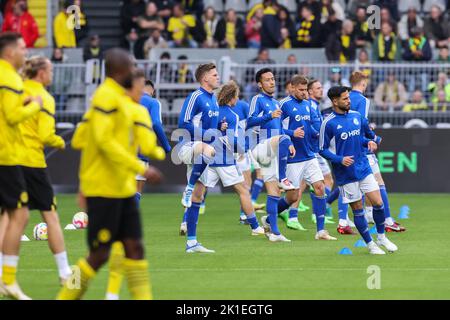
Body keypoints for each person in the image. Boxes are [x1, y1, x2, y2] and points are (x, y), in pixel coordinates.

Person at [57, 48, 161, 300]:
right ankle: (64, 296)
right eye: (131, 66)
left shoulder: (121, 100)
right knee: (99, 254)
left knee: (135, 248)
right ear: (119, 71)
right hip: (103, 189)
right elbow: (100, 142)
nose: (134, 71)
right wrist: (140, 166)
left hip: (123, 188)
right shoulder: (105, 98)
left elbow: (83, 137)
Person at [104, 68, 166, 300]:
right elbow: (154, 129)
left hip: (104, 176)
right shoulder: (147, 105)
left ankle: (110, 293)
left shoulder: (108, 102)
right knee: (122, 248)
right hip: (132, 161)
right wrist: (162, 151)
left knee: (103, 252)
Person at [13, 56, 72, 287]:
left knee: (9, 218)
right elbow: (46, 136)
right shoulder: (45, 98)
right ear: (41, 74)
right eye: (50, 70)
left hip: (9, 161)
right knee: (50, 216)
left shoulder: (16, 89)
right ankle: (65, 272)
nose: (52, 74)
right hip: (33, 163)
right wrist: (60, 142)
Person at [319, 86, 398, 254]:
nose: (349, 101)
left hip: (363, 167)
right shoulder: (328, 123)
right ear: (335, 101)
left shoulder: (356, 116)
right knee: (358, 210)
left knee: (378, 203)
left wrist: (369, 142)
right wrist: (340, 159)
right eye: (345, 99)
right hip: (345, 174)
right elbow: (322, 149)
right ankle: (370, 244)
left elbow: (362, 137)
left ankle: (382, 237)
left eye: (349, 97)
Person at [0, 32, 43, 300]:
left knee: (7, 215)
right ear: (9, 52)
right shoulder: (10, 78)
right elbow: (13, 116)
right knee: (21, 215)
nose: (25, 53)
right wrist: (33, 106)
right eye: (22, 48)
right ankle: (9, 280)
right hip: (7, 155)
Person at [280, 75, 337, 240]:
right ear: (292, 88)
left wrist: (318, 132)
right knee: (293, 196)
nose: (304, 93)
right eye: (301, 90)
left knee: (320, 187)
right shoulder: (284, 105)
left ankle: (321, 231)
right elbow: (274, 128)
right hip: (292, 158)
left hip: (310, 155)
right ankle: (270, 218)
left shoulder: (308, 105)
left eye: (306, 90)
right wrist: (292, 133)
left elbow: (315, 124)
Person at [350, 72, 405, 232]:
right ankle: (387, 220)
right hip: (362, 147)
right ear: (363, 84)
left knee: (353, 184)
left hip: (348, 144)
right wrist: (373, 136)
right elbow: (361, 121)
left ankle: (349, 219)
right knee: (379, 182)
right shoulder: (363, 100)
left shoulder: (345, 97)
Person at [247, 68, 297, 242]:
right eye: (267, 80)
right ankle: (283, 178)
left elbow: (281, 128)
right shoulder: (257, 99)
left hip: (275, 149)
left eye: (273, 79)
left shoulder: (276, 102)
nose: (272, 82)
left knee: (281, 193)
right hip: (261, 147)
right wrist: (269, 116)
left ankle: (272, 229)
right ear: (260, 84)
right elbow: (249, 121)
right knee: (278, 185)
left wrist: (289, 142)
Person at [177, 63, 220, 252]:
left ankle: (192, 243)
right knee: (208, 150)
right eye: (214, 75)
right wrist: (206, 135)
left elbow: (213, 129)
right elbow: (183, 123)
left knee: (199, 196)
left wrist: (220, 130)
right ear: (205, 78)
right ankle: (187, 188)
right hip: (188, 146)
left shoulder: (214, 100)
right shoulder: (196, 96)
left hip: (203, 151)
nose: (218, 77)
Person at [308, 79, 336, 224]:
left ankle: (321, 211)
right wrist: (318, 134)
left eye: (321, 87)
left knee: (325, 180)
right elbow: (308, 126)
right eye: (318, 88)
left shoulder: (315, 106)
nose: (321, 90)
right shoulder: (310, 106)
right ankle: (319, 211)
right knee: (322, 181)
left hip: (315, 150)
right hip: (312, 150)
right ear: (310, 91)